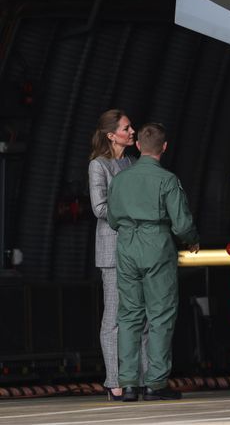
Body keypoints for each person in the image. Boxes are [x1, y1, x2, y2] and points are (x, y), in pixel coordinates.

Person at [107, 122, 199, 401]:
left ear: (138, 146)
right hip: (156, 245)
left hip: (126, 246)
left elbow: (112, 219)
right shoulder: (167, 180)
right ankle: (156, 384)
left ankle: (129, 384)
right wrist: (192, 239)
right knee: (160, 315)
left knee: (129, 315)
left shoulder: (120, 180)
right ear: (165, 147)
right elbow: (181, 224)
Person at [87, 109, 136, 401]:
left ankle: (139, 378)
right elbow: (99, 208)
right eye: (127, 128)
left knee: (138, 315)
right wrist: (133, 215)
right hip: (112, 249)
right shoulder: (99, 165)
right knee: (114, 317)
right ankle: (114, 380)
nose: (132, 131)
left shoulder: (132, 163)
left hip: (135, 249)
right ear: (111, 135)